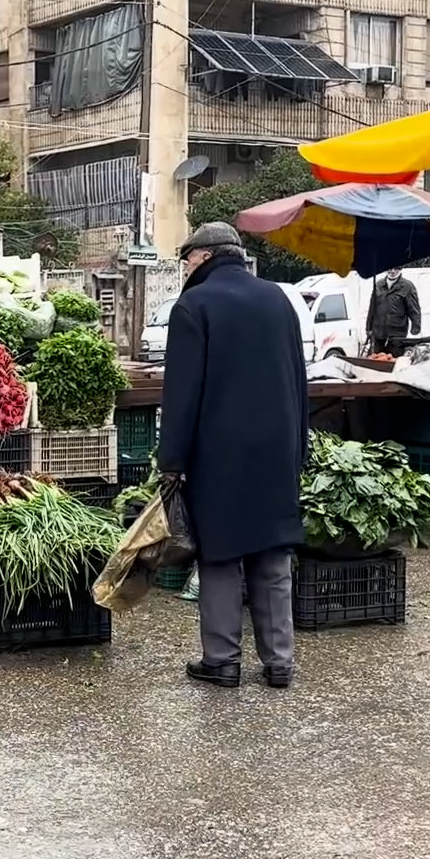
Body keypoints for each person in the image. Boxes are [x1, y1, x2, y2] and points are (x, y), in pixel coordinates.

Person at [157, 222, 309, 689]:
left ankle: (222, 660)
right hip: (278, 446)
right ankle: (279, 661)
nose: (185, 268)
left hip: (218, 450)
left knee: (221, 553)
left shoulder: (194, 305)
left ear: (202, 257)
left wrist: (172, 462)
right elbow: (298, 379)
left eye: (186, 260)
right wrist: (298, 446)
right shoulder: (277, 299)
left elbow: (182, 394)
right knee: (271, 548)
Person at [366, 270, 422, 356]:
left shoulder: (407, 286)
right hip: (378, 334)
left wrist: (416, 328)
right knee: (377, 362)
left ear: (400, 269)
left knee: (394, 362)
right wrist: (368, 328)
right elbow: (372, 308)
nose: (392, 271)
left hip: (397, 336)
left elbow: (414, 309)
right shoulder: (378, 285)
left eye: (396, 268)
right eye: (390, 268)